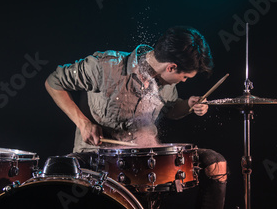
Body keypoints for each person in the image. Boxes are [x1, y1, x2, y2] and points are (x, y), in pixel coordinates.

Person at [45, 26, 227, 209]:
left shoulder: (165, 82)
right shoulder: (104, 67)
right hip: (96, 157)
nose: (184, 81)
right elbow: (53, 82)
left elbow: (171, 109)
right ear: (171, 67)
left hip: (142, 162)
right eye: (185, 76)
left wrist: (188, 105)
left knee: (214, 161)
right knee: (61, 171)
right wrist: (83, 123)